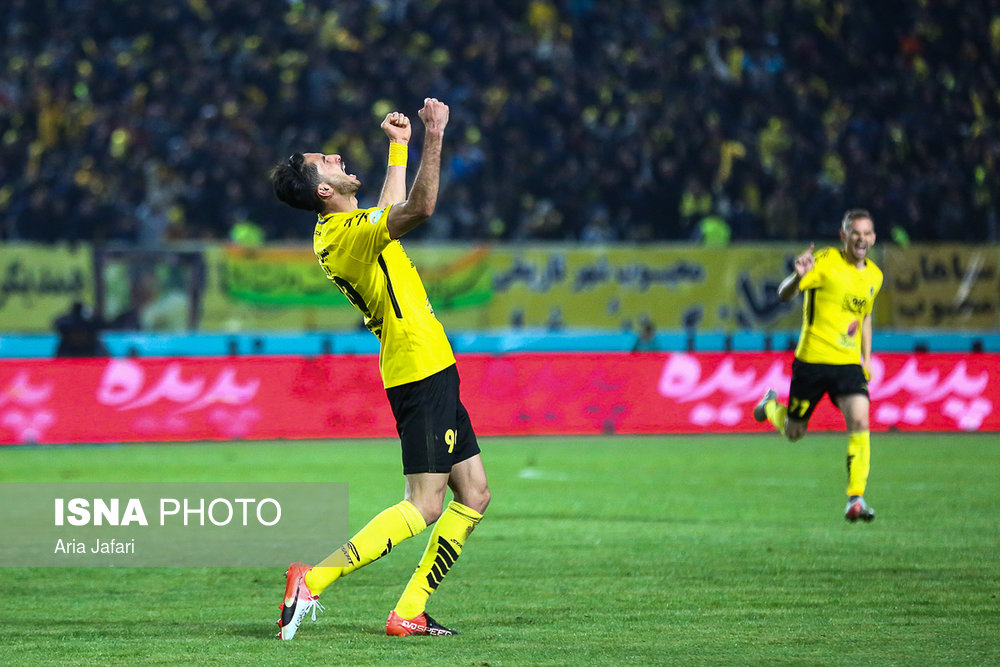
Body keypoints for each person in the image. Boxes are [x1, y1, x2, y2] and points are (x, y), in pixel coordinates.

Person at [269, 98, 490, 638]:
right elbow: (418, 210)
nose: (340, 157)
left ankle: (409, 611)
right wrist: (434, 135)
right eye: (328, 161)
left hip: (429, 362)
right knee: (425, 504)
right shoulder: (345, 236)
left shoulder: (343, 229)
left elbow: (389, 212)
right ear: (323, 190)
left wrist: (399, 146)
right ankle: (313, 579)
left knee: (475, 493)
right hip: (418, 366)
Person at [753, 209, 883, 522]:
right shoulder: (824, 261)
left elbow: (864, 317)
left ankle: (856, 498)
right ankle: (770, 405)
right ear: (844, 236)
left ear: (874, 238)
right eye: (855, 233)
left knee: (860, 420)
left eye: (866, 233)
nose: (861, 239)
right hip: (811, 361)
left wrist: (866, 358)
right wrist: (797, 276)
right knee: (794, 431)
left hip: (847, 366)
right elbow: (785, 295)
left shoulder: (875, 276)